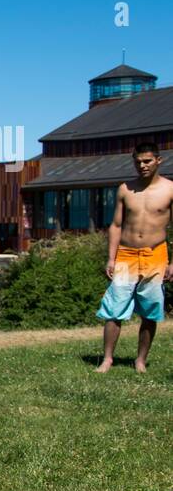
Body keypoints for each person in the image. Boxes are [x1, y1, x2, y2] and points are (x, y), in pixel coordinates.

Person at [96, 143, 173, 373]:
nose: (142, 165)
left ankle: (140, 361)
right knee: (114, 307)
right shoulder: (125, 189)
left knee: (150, 309)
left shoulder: (170, 189)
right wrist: (111, 258)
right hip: (126, 254)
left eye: (147, 161)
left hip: (155, 254)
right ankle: (107, 359)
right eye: (138, 161)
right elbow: (116, 225)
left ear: (158, 160)